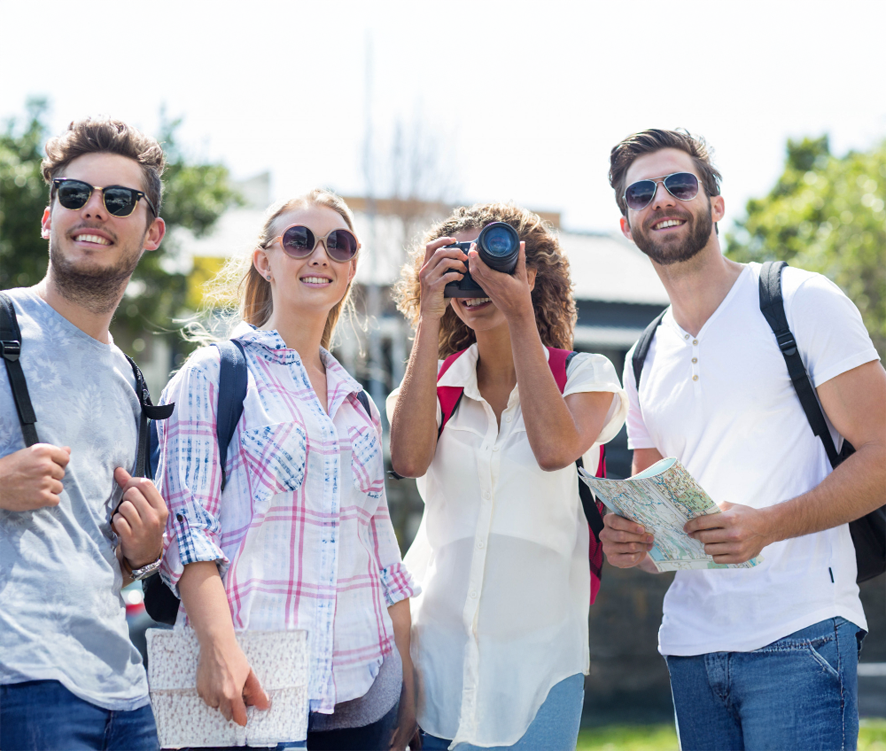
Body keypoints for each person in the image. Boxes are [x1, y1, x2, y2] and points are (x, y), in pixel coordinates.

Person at [601, 128, 886, 751]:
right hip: (692, 648)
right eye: (641, 192)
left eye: (680, 184)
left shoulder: (800, 301)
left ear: (716, 203)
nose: (662, 200)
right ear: (627, 225)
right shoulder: (644, 356)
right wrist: (634, 543)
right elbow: (661, 534)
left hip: (802, 633)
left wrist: (769, 524)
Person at [154, 189, 418, 751]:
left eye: (338, 244)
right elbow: (187, 529)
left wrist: (408, 683)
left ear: (351, 270)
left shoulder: (359, 405)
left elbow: (381, 550)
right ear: (265, 260)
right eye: (300, 240)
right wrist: (220, 650)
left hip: (361, 691)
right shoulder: (216, 373)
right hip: (247, 682)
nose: (320, 255)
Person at [386, 203, 628, 750]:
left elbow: (554, 449)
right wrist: (427, 314)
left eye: (490, 265)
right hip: (436, 664)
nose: (476, 282)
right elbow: (407, 461)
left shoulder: (586, 377)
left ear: (530, 274)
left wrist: (519, 315)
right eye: (459, 268)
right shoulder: (433, 387)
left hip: (541, 664)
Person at [0, 117, 170, 751]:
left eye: (117, 200)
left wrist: (142, 550)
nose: (93, 210)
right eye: (75, 194)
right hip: (19, 684)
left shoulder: (130, 378)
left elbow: (103, 556)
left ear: (150, 231)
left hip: (124, 695)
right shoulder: (3, 321)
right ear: (50, 217)